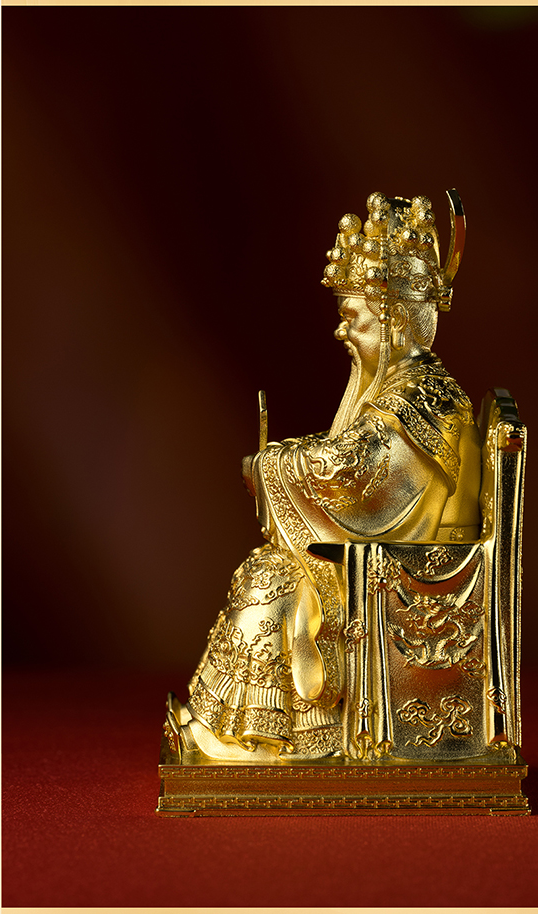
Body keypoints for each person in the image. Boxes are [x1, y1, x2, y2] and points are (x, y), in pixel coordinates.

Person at [176, 191, 482, 760]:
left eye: (351, 317)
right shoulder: (408, 389)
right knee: (267, 570)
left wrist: (269, 464)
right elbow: (350, 456)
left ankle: (278, 739)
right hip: (380, 551)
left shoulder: (420, 398)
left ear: (392, 320)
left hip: (398, 561)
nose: (342, 332)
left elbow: (354, 473)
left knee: (272, 581)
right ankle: (246, 728)